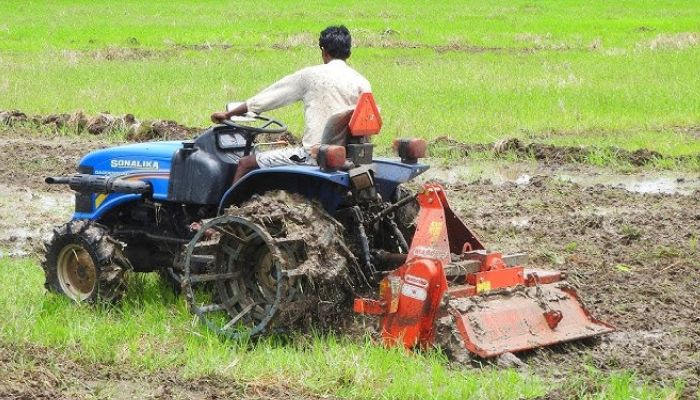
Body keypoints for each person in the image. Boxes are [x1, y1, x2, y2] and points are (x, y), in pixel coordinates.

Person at [211, 25, 371, 183]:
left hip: (313, 156)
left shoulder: (311, 76)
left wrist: (228, 114)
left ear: (323, 51)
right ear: (348, 52)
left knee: (245, 163)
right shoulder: (362, 82)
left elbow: (266, 99)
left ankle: (229, 209)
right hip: (348, 157)